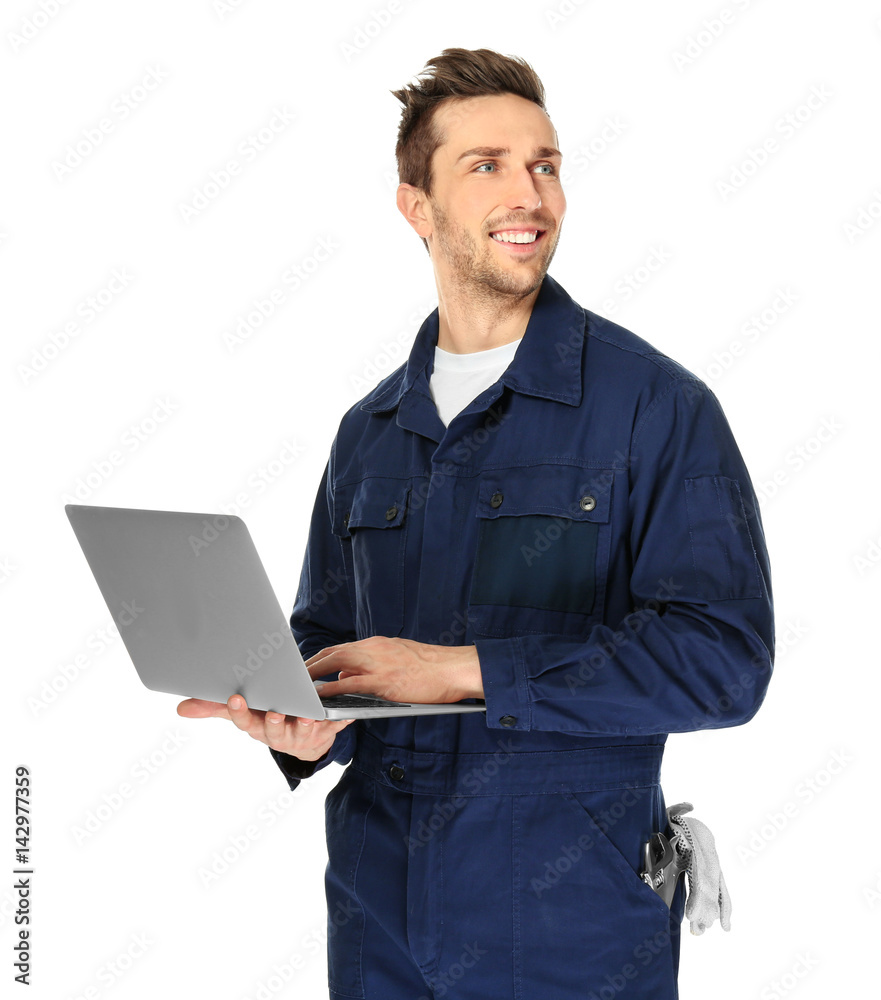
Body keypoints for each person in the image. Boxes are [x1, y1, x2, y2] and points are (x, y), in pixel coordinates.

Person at [178, 47, 774, 1000]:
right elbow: (326, 638)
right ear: (416, 206)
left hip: (569, 924)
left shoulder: (652, 408)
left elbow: (723, 660)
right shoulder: (370, 430)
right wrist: (303, 721)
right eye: (485, 165)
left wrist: (464, 669)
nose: (529, 193)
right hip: (377, 916)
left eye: (545, 163)